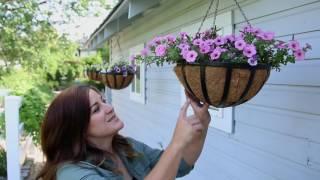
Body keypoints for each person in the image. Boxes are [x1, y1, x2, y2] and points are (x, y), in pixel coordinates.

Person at [36, 84, 211, 180]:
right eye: (96, 109)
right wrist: (177, 143)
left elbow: (180, 164)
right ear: (77, 129)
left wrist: (202, 122)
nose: (110, 108)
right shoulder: (72, 174)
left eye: (104, 101)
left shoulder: (126, 147)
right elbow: (175, 153)